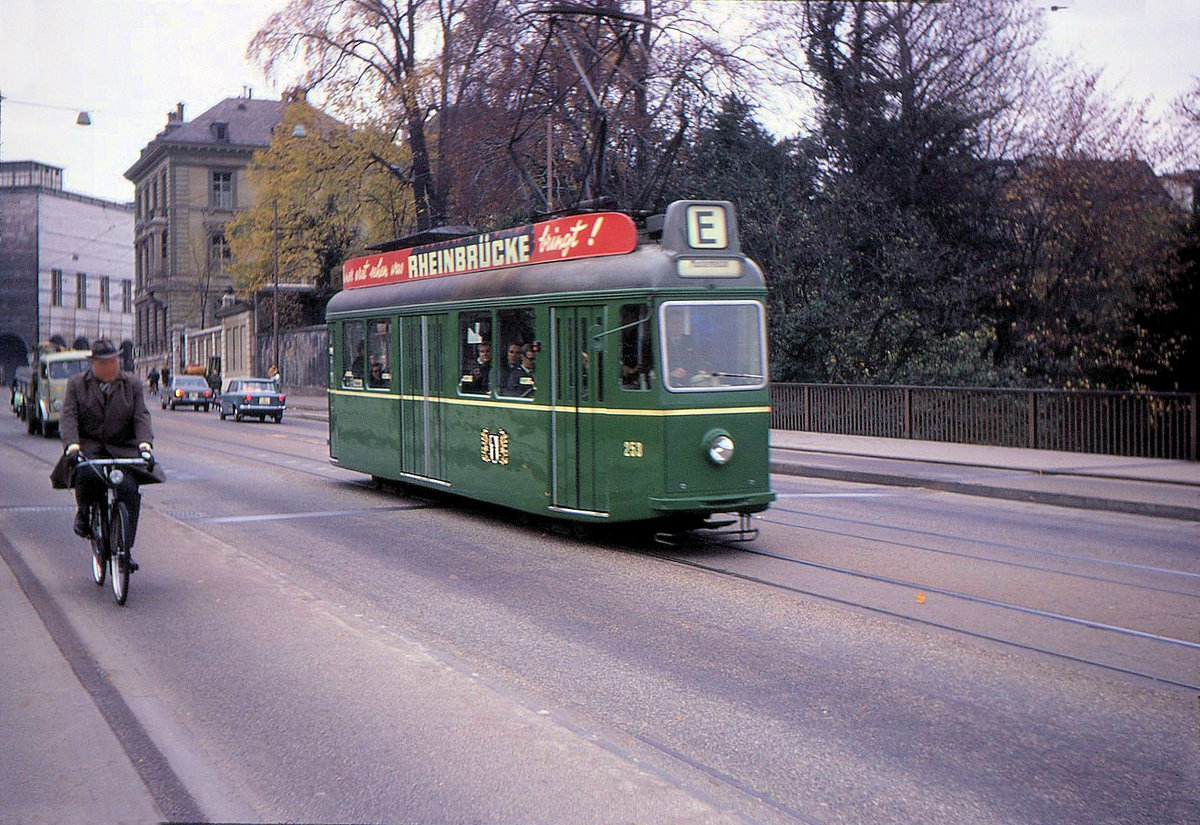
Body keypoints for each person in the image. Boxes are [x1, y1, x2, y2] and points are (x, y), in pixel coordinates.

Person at [51, 339, 164, 570]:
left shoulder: (131, 384)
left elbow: (141, 416)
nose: (111, 367)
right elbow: (69, 417)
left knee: (129, 489)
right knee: (86, 476)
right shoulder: (77, 385)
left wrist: (144, 445)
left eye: (114, 361)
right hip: (89, 447)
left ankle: (124, 549)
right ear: (94, 364)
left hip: (122, 447)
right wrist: (73, 446)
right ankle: (84, 515)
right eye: (105, 363)